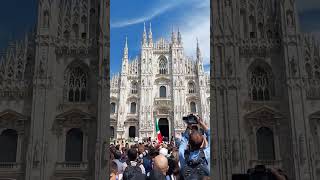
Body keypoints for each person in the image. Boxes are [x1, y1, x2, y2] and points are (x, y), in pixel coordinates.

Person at [179, 115, 210, 179]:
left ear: (189, 143)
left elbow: (183, 141)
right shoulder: (208, 154)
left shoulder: (183, 156)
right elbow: (210, 133)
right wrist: (201, 123)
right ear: (202, 142)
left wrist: (188, 127)